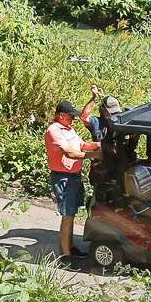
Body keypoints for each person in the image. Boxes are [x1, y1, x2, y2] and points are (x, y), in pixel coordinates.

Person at [45, 96, 99, 259]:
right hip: (63, 177)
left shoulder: (69, 129)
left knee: (72, 214)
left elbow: (82, 145)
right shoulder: (54, 131)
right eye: (70, 116)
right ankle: (65, 256)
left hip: (74, 176)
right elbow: (69, 153)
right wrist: (94, 155)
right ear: (61, 115)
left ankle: (70, 247)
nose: (73, 119)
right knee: (67, 216)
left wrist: (100, 145)